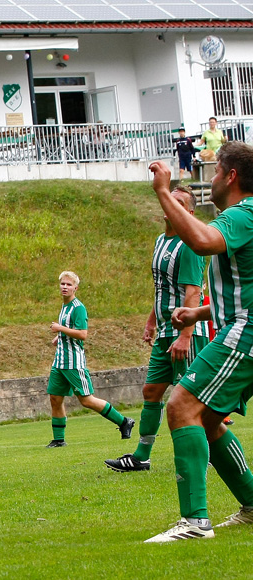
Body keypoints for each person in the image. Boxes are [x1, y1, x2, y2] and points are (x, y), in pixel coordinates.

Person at [144, 144, 253, 542]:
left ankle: (194, 521)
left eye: (216, 171)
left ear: (231, 176)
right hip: (240, 329)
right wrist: (198, 314)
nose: (211, 179)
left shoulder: (244, 213)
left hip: (246, 335)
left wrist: (162, 192)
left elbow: (204, 242)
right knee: (207, 420)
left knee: (181, 406)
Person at [105, 186, 208, 472]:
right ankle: (141, 456)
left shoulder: (190, 243)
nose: (169, 205)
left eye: (178, 202)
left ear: (189, 212)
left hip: (184, 333)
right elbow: (162, 288)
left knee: (192, 398)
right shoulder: (161, 241)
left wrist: (186, 334)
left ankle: (208, 452)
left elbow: (193, 291)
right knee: (151, 391)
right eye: (168, 199)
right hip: (165, 332)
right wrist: (152, 320)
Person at [45, 271, 135, 448]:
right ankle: (58, 439)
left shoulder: (78, 307)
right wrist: (60, 338)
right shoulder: (65, 306)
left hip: (73, 363)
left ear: (75, 288)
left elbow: (83, 334)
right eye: (62, 284)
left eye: (69, 284)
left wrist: (60, 329)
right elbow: (71, 330)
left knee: (86, 400)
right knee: (55, 398)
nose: (65, 287)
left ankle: (124, 421)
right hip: (60, 362)